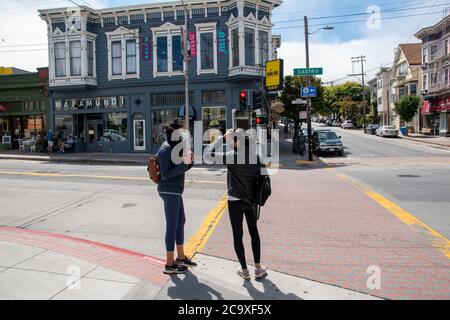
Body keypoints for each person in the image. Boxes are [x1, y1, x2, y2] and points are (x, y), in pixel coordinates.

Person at [205, 128, 267, 281]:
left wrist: (222, 139)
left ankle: (244, 270)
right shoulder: (256, 157)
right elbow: (264, 178)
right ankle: (258, 268)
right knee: (254, 232)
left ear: (236, 141)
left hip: (234, 201)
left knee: (237, 235)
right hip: (251, 201)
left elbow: (207, 154)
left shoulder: (232, 156)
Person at [157, 119, 196, 275]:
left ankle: (180, 257)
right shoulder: (166, 149)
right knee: (172, 226)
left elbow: (181, 167)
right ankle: (169, 263)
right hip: (168, 190)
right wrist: (185, 165)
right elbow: (166, 174)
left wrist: (189, 162)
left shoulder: (174, 147)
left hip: (176, 191)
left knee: (181, 222)